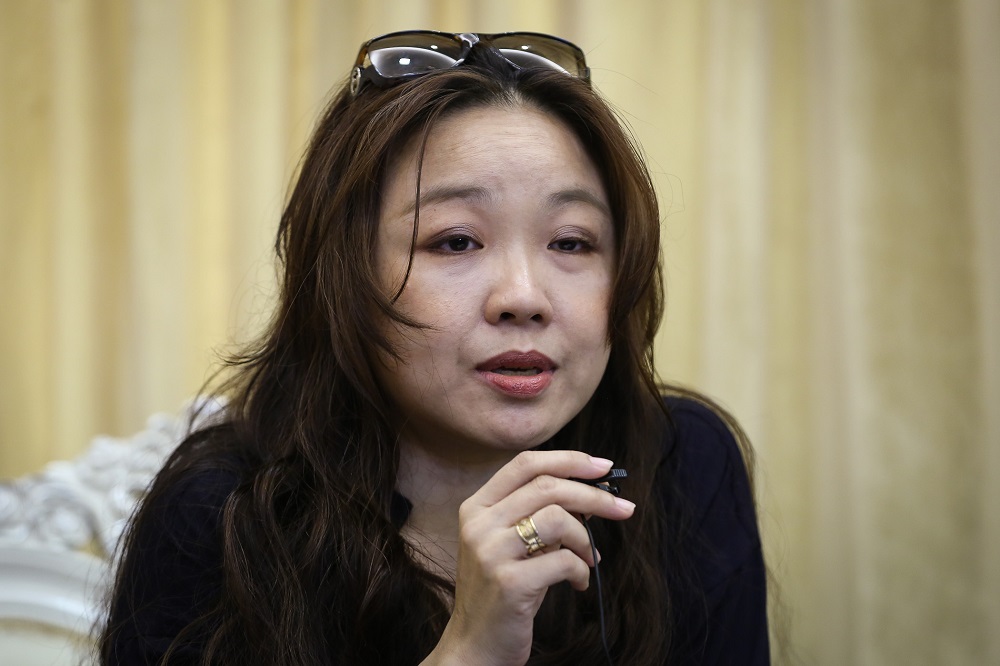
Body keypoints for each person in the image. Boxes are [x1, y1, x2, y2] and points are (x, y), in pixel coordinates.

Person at [98, 31, 769, 665]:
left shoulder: (681, 465)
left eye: (571, 242)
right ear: (346, 276)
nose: (524, 296)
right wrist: (468, 649)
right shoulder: (221, 514)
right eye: (455, 241)